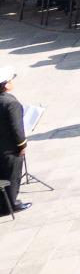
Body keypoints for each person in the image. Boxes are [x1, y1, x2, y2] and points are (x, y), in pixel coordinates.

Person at [0, 67, 25, 215]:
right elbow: (17, 128)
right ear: (5, 85)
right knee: (12, 176)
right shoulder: (11, 103)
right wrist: (22, 144)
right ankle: (11, 204)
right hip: (9, 148)